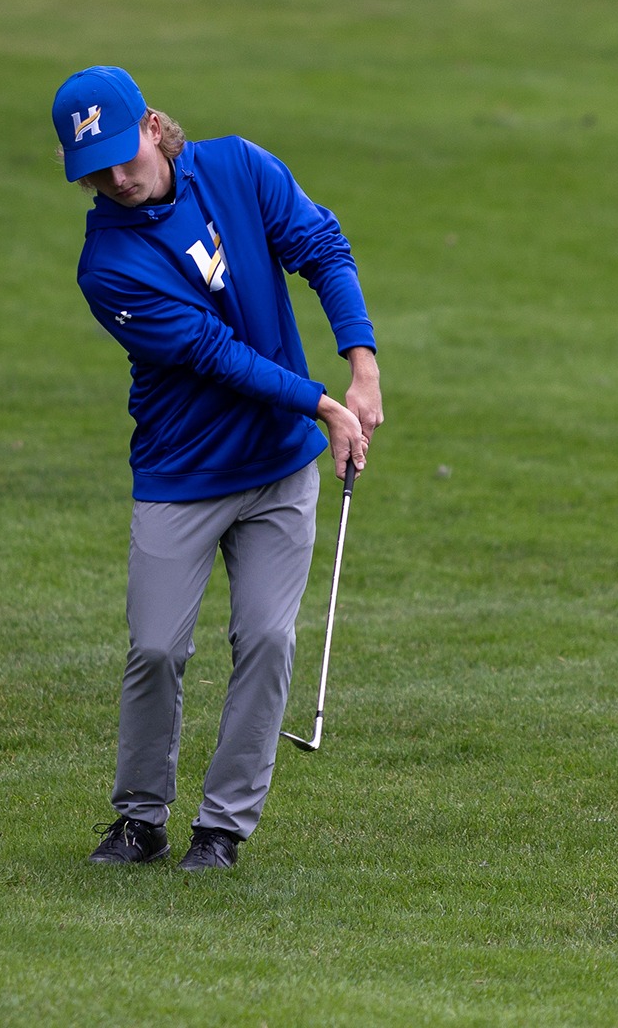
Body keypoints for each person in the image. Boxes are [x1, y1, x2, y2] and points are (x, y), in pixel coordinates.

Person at [51, 67, 382, 871]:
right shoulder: (108, 265)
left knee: (266, 638)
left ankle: (222, 828)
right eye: (95, 170)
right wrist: (321, 403)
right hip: (184, 473)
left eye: (122, 156)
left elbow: (321, 246)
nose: (115, 179)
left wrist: (361, 363)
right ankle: (140, 819)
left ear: (152, 125)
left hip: (278, 469)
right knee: (156, 649)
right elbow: (212, 353)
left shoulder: (237, 167)